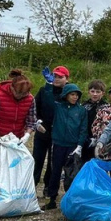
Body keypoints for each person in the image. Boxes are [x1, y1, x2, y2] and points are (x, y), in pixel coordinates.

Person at [0, 69, 37, 179]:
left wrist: (27, 135)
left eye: (24, 93)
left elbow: (31, 121)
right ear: (12, 88)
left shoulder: (30, 99)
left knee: (13, 167)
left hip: (16, 139)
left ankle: (9, 194)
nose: (21, 96)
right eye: (19, 93)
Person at [43, 82, 86, 211]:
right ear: (66, 95)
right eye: (72, 94)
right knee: (55, 171)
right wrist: (48, 85)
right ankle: (52, 198)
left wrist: (79, 145)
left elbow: (83, 129)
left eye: (77, 95)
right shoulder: (58, 107)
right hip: (58, 144)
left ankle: (70, 199)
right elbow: (48, 99)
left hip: (73, 146)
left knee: (71, 174)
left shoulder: (81, 110)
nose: (75, 97)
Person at [33, 65, 69, 196]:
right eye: (55, 76)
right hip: (42, 131)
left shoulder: (69, 93)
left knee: (53, 163)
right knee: (37, 160)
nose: (57, 79)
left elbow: (58, 103)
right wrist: (37, 122)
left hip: (58, 133)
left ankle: (48, 188)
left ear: (67, 78)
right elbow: (34, 108)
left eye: (61, 77)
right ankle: (31, 187)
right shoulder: (44, 90)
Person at [81, 80, 111, 162]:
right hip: (85, 139)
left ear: (103, 93)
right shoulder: (84, 105)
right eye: (92, 91)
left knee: (98, 164)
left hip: (100, 140)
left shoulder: (107, 107)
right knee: (84, 163)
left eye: (98, 92)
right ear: (88, 92)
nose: (95, 94)